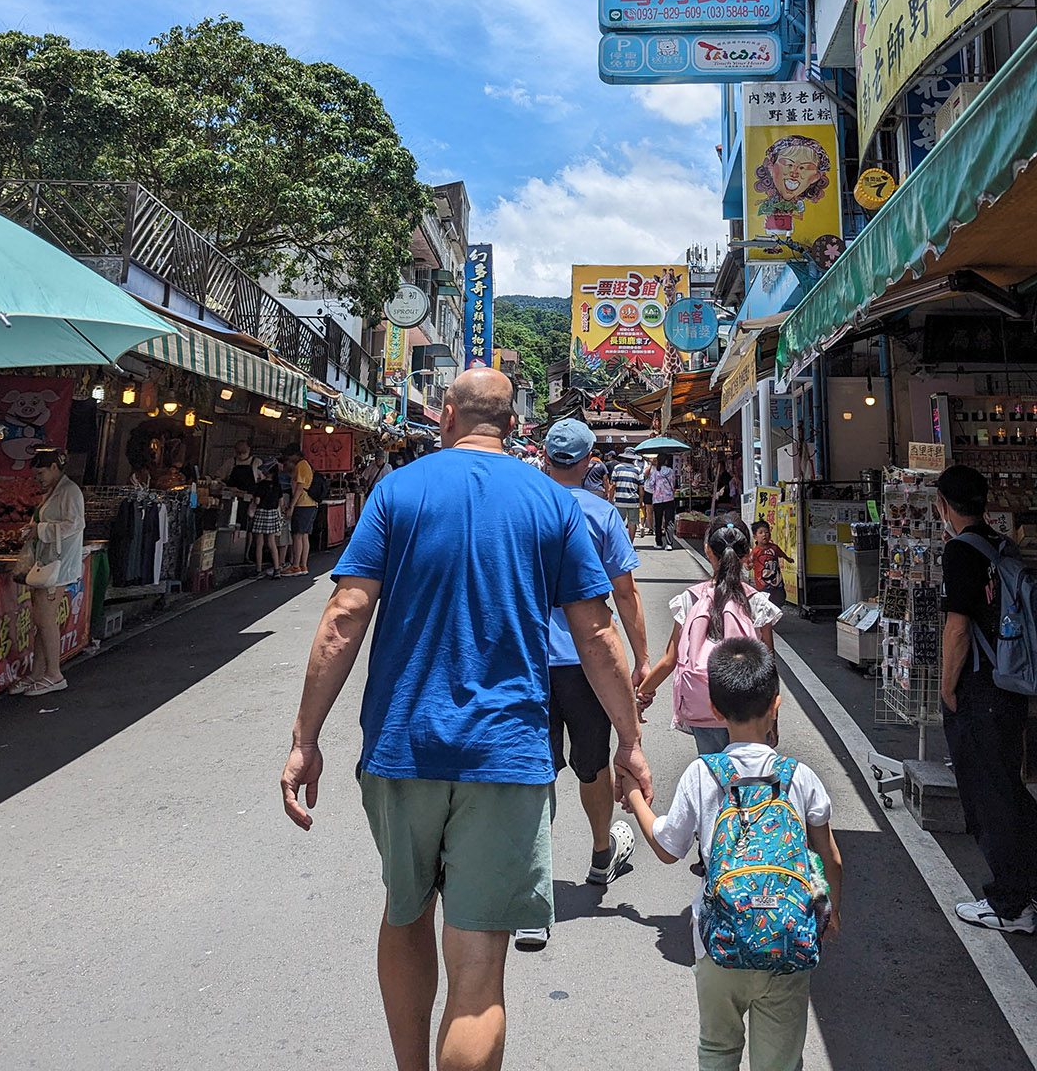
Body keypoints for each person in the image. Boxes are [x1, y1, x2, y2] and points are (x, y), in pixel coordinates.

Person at [280, 368, 650, 1071]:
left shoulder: (398, 490)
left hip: (401, 745)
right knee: (477, 973)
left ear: (445, 415)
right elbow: (598, 635)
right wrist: (629, 741)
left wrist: (305, 740)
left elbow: (344, 616)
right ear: (514, 427)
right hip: (506, 756)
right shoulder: (553, 502)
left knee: (405, 911)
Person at [621, 638, 842, 1071]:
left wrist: (634, 795)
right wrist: (832, 911)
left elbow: (668, 847)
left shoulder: (704, 775)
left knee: (718, 1050)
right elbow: (830, 856)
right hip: (787, 941)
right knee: (778, 1062)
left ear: (716, 712)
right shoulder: (800, 778)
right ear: (775, 705)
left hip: (718, 943)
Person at [515, 419, 650, 953]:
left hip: (526, 660)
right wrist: (641, 660)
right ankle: (600, 855)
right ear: (591, 458)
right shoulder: (600, 513)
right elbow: (626, 594)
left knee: (533, 771)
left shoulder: (524, 508)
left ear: (545, 456)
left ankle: (532, 891)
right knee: (592, 765)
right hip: (587, 662)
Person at [938, 464, 1037, 935]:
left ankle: (1011, 904)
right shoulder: (1003, 545)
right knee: (1011, 789)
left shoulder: (960, 552)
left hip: (980, 689)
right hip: (1013, 684)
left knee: (988, 798)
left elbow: (958, 629)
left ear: (944, 506)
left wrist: (948, 689)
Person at [637, 520, 781, 753]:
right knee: (749, 782)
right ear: (746, 555)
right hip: (750, 707)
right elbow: (768, 664)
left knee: (714, 775)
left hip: (703, 704)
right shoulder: (756, 602)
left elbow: (669, 660)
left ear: (707, 550)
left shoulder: (690, 599)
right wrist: (773, 718)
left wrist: (642, 695)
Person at [11, 448, 86, 698]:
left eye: (41, 473)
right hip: (47, 562)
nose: (38, 478)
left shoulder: (70, 491)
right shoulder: (53, 491)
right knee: (41, 621)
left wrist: (40, 530)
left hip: (59, 565)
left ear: (55, 467)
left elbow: (75, 524)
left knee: (45, 620)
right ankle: (37, 673)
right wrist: (35, 529)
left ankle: (54, 674)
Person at [225, 438, 262, 562]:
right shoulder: (231, 462)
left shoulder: (256, 463)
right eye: (238, 450)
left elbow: (262, 481)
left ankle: (246, 554)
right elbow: (219, 477)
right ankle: (230, 552)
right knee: (230, 526)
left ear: (249, 449)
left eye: (243, 449)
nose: (240, 452)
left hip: (250, 501)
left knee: (248, 528)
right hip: (232, 500)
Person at [283, 445, 316, 576]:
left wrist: (292, 505)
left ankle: (296, 566)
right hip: (310, 504)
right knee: (304, 535)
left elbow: (299, 487)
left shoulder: (301, 465)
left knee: (297, 535)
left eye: (290, 456)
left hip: (302, 504)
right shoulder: (306, 465)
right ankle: (303, 565)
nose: (289, 459)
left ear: (295, 455)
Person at [250, 458, 285, 578]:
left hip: (261, 513)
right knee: (272, 543)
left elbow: (257, 500)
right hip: (273, 514)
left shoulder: (261, 485)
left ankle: (258, 570)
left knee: (259, 543)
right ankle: (277, 569)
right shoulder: (277, 485)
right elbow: (281, 502)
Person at [750, 520, 793, 617]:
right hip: (762, 583)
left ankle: (775, 613)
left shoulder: (774, 548)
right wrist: (748, 565)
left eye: (766, 532)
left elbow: (782, 554)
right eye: (760, 533)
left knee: (779, 597)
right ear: (755, 537)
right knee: (765, 601)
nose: (764, 535)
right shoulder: (755, 551)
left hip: (777, 580)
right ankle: (767, 618)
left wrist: (788, 559)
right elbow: (749, 562)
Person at [609, 447, 645, 540]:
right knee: (632, 522)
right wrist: (641, 501)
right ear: (633, 458)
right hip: (633, 500)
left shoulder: (617, 468)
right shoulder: (638, 470)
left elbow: (613, 485)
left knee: (619, 522)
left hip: (620, 499)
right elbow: (641, 487)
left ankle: (620, 543)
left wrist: (610, 499)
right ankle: (631, 544)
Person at [650, 456, 678, 549]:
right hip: (669, 499)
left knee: (658, 521)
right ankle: (669, 544)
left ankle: (659, 543)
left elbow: (651, 484)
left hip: (657, 500)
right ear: (666, 461)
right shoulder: (671, 471)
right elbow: (674, 484)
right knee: (669, 521)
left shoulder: (655, 472)